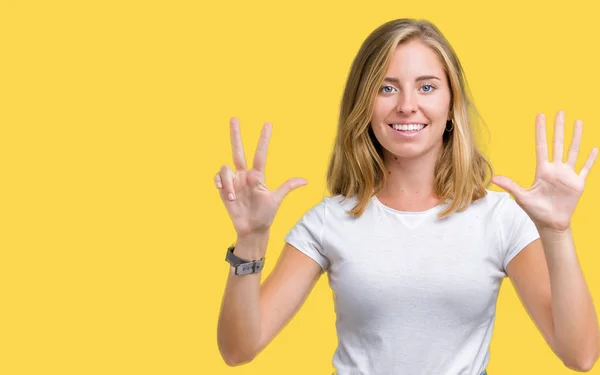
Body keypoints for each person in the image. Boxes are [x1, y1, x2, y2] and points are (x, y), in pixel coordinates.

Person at [215, 18, 600, 374]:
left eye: (427, 86)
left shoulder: (499, 218)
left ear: (452, 105)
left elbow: (580, 354)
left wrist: (557, 232)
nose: (407, 105)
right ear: (363, 104)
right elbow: (238, 348)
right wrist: (250, 241)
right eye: (387, 87)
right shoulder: (328, 221)